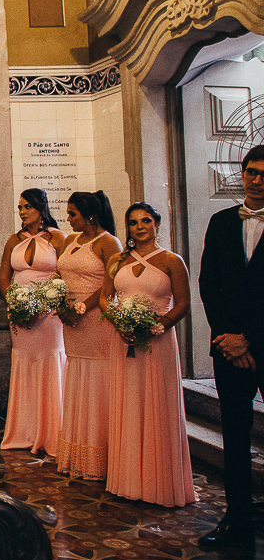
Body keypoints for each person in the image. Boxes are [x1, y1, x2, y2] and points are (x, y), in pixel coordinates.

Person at [100, 202, 196, 508]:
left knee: (157, 403)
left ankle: (160, 483)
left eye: (145, 221)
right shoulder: (117, 259)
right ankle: (127, 480)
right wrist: (119, 323)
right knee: (128, 403)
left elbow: (183, 302)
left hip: (158, 342)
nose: (139, 227)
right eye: (133, 222)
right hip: (123, 340)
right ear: (127, 227)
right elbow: (105, 298)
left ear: (157, 224)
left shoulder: (171, 260)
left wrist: (160, 325)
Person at [197, 144, 264, 547]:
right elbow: (209, 283)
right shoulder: (221, 222)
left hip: (260, 343)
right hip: (228, 349)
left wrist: (249, 338)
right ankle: (237, 520)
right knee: (235, 438)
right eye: (251, 172)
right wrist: (228, 338)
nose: (257, 180)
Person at [55, 190, 120, 480]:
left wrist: (81, 308)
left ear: (90, 216)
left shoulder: (108, 242)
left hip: (95, 320)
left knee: (97, 381)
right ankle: (77, 450)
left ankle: (100, 453)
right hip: (71, 322)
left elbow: (110, 283)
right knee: (77, 377)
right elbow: (60, 276)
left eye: (73, 214)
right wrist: (59, 303)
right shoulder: (70, 241)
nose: (68, 219)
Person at [0, 189, 67, 456]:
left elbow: (64, 276)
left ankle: (52, 433)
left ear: (41, 208)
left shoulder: (57, 238)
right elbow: (4, 277)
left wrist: (43, 305)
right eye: (20, 207)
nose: (22, 212)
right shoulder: (13, 240)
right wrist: (16, 304)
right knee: (23, 363)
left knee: (49, 362)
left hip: (49, 315)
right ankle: (24, 432)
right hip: (19, 315)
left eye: (27, 207)